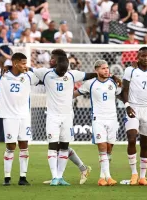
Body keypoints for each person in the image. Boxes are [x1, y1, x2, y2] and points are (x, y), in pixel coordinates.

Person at [32, 55, 98, 186]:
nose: (63, 73)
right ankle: (55, 177)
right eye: (61, 70)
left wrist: (107, 75)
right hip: (52, 116)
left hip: (68, 116)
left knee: (64, 147)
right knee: (52, 146)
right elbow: (27, 69)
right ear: (55, 65)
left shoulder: (72, 75)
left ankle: (60, 177)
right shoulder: (45, 73)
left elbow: (89, 75)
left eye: (65, 70)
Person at [0, 53, 39, 186]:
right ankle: (7, 177)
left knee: (24, 146)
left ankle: (23, 177)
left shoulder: (29, 75)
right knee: (11, 146)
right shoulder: (2, 74)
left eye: (25, 63)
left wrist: (31, 69)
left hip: (24, 116)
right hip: (9, 116)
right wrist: (4, 66)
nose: (25, 65)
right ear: (15, 63)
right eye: (23, 63)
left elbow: (45, 77)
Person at [74, 60, 121, 186]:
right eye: (103, 68)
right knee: (102, 147)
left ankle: (101, 177)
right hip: (98, 119)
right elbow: (75, 94)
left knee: (109, 149)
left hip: (112, 119)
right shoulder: (90, 83)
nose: (106, 70)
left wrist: (127, 104)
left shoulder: (113, 82)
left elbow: (121, 95)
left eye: (107, 68)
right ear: (97, 70)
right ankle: (109, 177)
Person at [121, 46, 147, 185]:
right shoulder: (130, 71)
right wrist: (127, 106)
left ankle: (142, 177)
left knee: (145, 144)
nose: (146, 58)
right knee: (132, 138)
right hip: (133, 108)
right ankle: (134, 174)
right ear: (138, 57)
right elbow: (124, 91)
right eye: (143, 56)